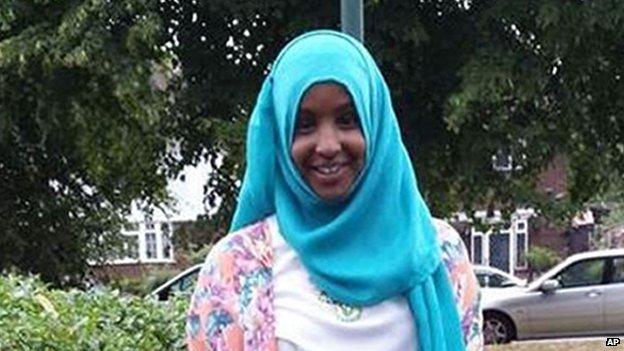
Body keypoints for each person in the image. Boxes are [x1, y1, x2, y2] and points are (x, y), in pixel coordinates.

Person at [186, 30, 483, 351]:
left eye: (347, 119)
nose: (327, 145)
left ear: (376, 123)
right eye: (304, 124)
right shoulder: (237, 266)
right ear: (280, 135)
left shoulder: (438, 253)